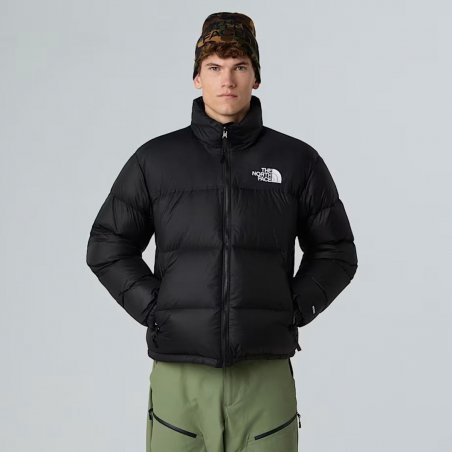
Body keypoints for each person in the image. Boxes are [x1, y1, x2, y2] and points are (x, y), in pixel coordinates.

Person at [86, 11, 358, 452]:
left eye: (239, 66)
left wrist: (292, 308)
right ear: (197, 77)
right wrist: (157, 309)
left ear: (256, 77)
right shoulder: (156, 160)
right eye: (214, 67)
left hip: (263, 374)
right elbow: (107, 246)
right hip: (180, 375)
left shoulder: (296, 161)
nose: (226, 80)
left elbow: (337, 251)